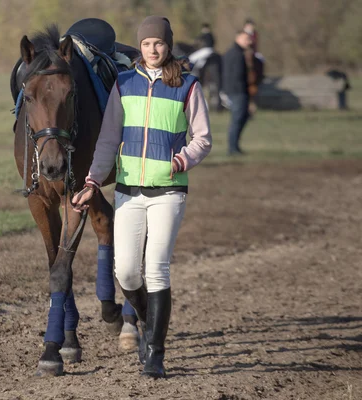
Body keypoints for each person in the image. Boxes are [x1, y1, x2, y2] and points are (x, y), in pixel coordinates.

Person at [72, 16, 212, 378]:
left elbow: (203, 138)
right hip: (128, 190)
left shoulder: (188, 86)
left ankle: (156, 353)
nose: (152, 49)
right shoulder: (125, 83)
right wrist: (92, 182)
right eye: (147, 43)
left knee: (156, 267)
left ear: (168, 46)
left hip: (168, 190)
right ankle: (149, 323)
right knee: (127, 271)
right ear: (141, 46)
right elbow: (107, 139)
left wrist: (181, 160)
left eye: (159, 43)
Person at [222, 30, 252, 155]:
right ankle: (233, 148)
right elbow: (237, 76)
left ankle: (234, 146)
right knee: (237, 119)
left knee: (242, 117)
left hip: (234, 91)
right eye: (246, 39)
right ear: (238, 38)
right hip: (237, 92)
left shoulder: (231, 53)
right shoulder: (237, 54)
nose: (249, 42)